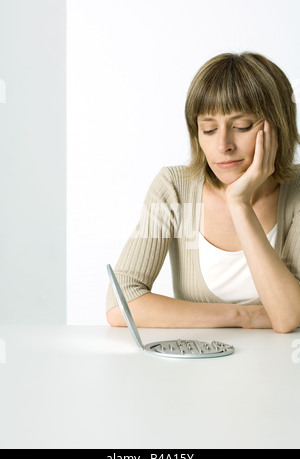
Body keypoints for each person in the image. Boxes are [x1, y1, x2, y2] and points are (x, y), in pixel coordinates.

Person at [106, 52, 300, 333]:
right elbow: (119, 304)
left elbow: (288, 317)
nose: (223, 145)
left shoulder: (296, 192)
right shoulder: (175, 189)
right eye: (208, 129)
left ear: (277, 126)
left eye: (241, 126)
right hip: (197, 369)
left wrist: (239, 203)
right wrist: (244, 315)